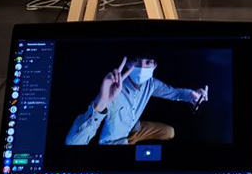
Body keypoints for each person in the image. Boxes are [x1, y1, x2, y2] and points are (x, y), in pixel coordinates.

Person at [65, 56, 208, 146]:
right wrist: (102, 103)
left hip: (133, 128)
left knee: (169, 132)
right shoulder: (113, 88)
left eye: (148, 62)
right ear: (128, 63)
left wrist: (193, 95)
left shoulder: (151, 83)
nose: (142, 66)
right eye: (136, 60)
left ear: (154, 65)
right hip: (114, 142)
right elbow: (72, 143)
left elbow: (175, 93)